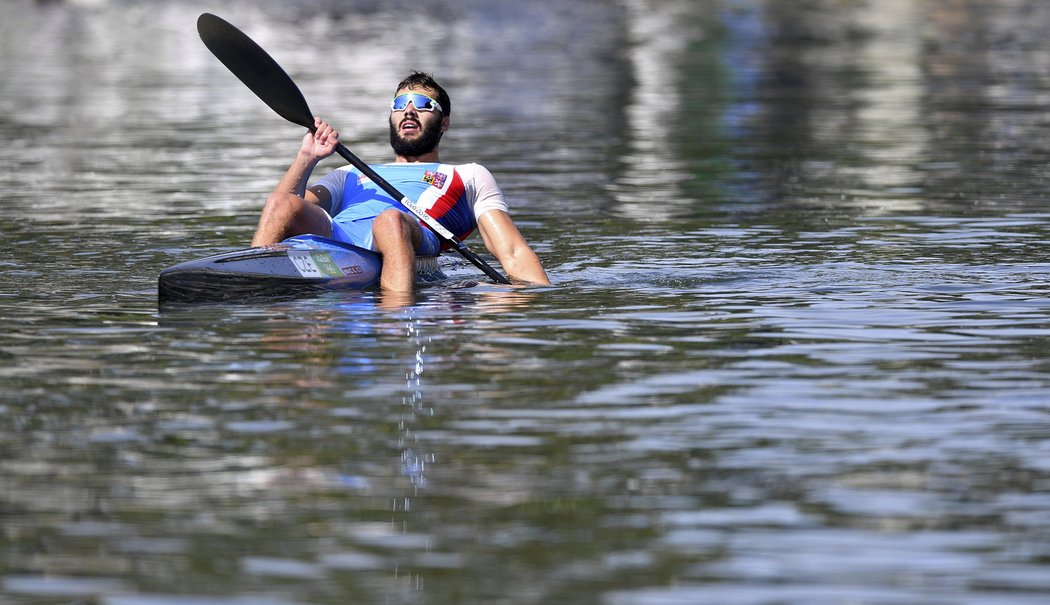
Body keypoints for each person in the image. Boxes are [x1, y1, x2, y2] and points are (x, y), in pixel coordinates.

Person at [251, 71, 550, 292]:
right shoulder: (350, 173)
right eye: (399, 105)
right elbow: (286, 213)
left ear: (444, 122)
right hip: (340, 238)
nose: (408, 110)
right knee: (281, 202)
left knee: (390, 220)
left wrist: (540, 300)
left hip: (408, 234)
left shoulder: (469, 174)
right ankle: (249, 279)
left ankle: (396, 322)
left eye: (423, 104)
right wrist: (307, 158)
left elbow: (511, 251)